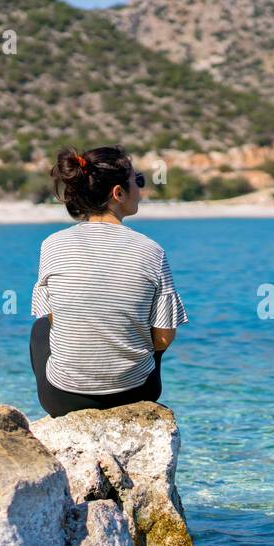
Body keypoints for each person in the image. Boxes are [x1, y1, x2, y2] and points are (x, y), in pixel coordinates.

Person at [29, 145, 187, 417]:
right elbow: (163, 338)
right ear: (118, 193)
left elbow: (55, 319)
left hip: (62, 399)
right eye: (138, 180)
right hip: (136, 393)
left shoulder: (52, 245)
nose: (141, 187)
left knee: (41, 327)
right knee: (152, 331)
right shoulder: (152, 251)